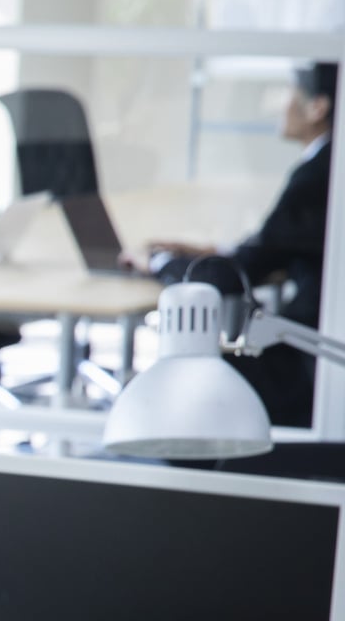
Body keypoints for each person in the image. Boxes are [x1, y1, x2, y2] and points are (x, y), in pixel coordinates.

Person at [144, 60, 335, 427]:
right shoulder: (329, 164)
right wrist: (206, 251)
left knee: (202, 384)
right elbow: (276, 244)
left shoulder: (319, 174)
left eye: (291, 96)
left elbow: (251, 265)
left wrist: (162, 263)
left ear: (318, 108)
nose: (282, 106)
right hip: (317, 336)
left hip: (309, 351)